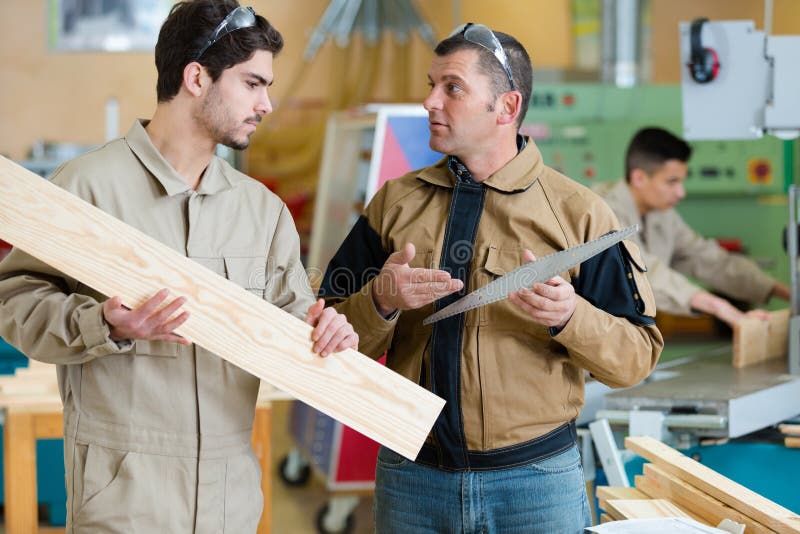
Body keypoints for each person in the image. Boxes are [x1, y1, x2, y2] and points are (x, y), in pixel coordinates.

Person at [0, 1, 358, 532]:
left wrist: (325, 330)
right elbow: (15, 303)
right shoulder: (84, 188)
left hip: (229, 501)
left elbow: (292, 321)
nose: (267, 103)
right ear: (196, 77)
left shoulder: (262, 212)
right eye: (253, 83)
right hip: (121, 498)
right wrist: (104, 324)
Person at [319, 23, 663, 533]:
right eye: (431, 84)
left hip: (537, 486)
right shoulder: (394, 204)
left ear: (506, 107)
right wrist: (381, 302)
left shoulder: (581, 216)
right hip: (411, 478)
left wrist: (571, 316)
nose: (430, 101)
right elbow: (326, 336)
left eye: (452, 88)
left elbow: (637, 356)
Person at [595, 127, 790, 327]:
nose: (681, 192)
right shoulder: (601, 211)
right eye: (672, 182)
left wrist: (785, 292)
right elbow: (643, 274)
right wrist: (721, 308)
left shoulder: (661, 214)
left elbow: (709, 260)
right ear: (639, 178)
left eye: (681, 181)